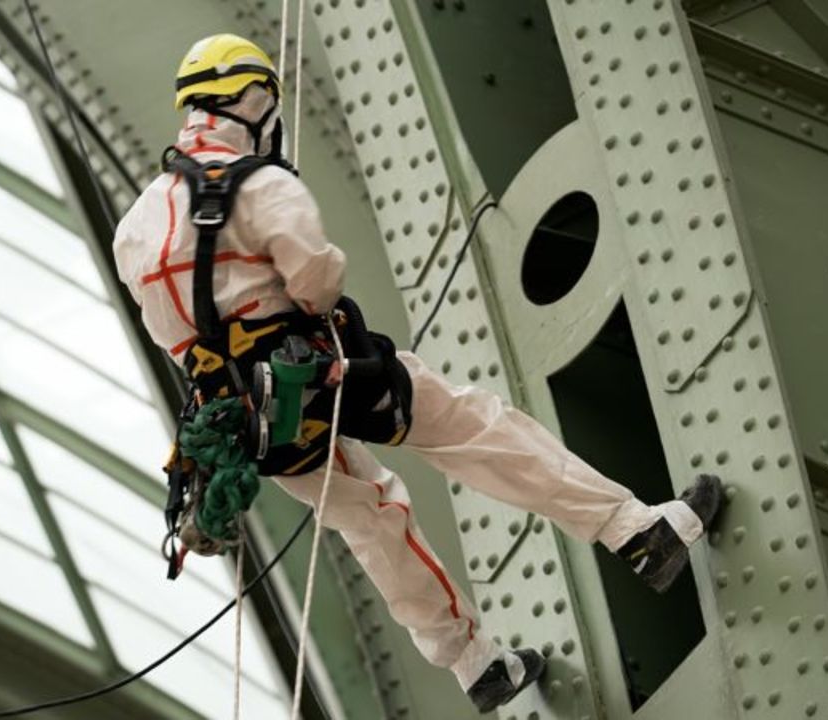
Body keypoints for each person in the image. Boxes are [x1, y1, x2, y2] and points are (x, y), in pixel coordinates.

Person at [113, 33, 724, 714]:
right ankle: (637, 532)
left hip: (252, 422)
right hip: (332, 374)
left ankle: (475, 665)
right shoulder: (260, 184)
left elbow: (170, 332)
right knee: (474, 430)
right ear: (252, 100)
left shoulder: (133, 227)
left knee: (370, 519)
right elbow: (316, 279)